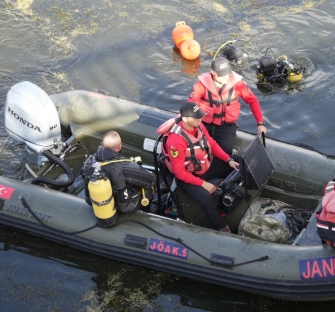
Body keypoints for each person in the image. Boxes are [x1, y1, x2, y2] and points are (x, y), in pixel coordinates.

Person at [162, 102, 239, 233]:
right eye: (197, 117)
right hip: (189, 176)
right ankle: (221, 226)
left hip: (205, 166)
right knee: (205, 198)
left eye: (200, 116)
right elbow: (179, 173)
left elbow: (212, 144)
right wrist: (203, 184)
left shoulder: (199, 125)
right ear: (185, 119)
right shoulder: (175, 141)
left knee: (239, 161)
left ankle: (243, 194)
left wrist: (229, 159)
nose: (201, 119)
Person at [187, 56, 267, 156]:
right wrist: (192, 123)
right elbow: (191, 105)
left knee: (225, 151)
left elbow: (253, 101)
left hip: (226, 126)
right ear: (213, 72)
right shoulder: (201, 84)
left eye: (227, 74)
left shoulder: (238, 84)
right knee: (195, 151)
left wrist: (260, 123)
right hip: (203, 124)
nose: (225, 77)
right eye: (221, 75)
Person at [83, 131, 155, 213]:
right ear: (119, 147)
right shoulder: (127, 166)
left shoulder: (88, 163)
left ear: (101, 144)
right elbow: (151, 179)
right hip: (123, 208)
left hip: (96, 203)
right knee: (149, 186)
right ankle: (146, 212)